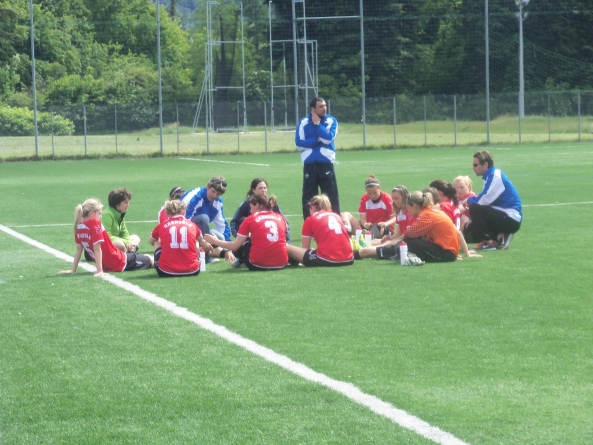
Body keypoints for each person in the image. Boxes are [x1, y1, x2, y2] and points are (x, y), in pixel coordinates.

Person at [355, 191, 480, 263]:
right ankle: (369, 251)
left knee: (407, 244)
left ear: (414, 206)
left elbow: (406, 236)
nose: (408, 210)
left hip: (445, 253)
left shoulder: (426, 216)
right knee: (409, 243)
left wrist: (451, 253)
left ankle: (365, 252)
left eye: (408, 207)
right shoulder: (432, 212)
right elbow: (456, 233)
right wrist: (459, 251)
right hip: (447, 252)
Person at [59, 199, 153, 277]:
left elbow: (79, 250)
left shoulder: (78, 226)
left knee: (139, 249)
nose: (101, 216)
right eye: (99, 213)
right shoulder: (95, 223)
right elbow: (97, 248)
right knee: (151, 260)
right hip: (118, 261)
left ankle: (132, 250)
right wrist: (100, 271)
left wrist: (73, 270)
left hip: (109, 263)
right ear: (92, 213)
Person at [205, 194, 288, 271]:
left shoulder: (250, 219)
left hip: (257, 264)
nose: (251, 211)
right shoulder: (280, 217)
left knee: (246, 241)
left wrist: (215, 241)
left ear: (257, 205)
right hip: (282, 263)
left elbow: (234, 246)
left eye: (251, 207)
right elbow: (284, 231)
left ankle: (241, 260)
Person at [462, 150, 522, 250]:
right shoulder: (490, 176)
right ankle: (501, 236)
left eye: (475, 165)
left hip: (510, 218)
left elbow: (483, 201)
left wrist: (468, 200)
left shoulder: (495, 176)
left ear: (485, 164)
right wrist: (471, 219)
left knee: (474, 207)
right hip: (504, 216)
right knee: (468, 231)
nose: (473, 168)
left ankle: (488, 242)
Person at [295, 96, 340, 220]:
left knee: (331, 196)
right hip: (310, 165)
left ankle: (335, 223)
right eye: (321, 106)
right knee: (309, 198)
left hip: (326, 164)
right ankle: (309, 225)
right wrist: (316, 139)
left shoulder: (332, 121)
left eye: (325, 105)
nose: (324, 108)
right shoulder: (304, 122)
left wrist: (317, 124)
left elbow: (327, 138)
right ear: (313, 109)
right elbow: (299, 144)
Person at [149, 199, 218, 277]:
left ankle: (163, 262)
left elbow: (151, 241)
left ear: (167, 213)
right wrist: (205, 244)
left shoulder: (161, 225)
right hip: (193, 270)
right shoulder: (192, 225)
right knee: (196, 239)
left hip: (165, 271)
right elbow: (200, 239)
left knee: (156, 240)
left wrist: (164, 245)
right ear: (183, 212)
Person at [286, 194, 353, 267]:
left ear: (312, 207)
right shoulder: (336, 216)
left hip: (328, 260)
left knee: (285, 246)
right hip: (349, 258)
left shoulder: (310, 219)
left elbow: (304, 249)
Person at [181, 176, 231, 263]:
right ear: (207, 186)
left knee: (221, 238)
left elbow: (222, 226)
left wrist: (228, 248)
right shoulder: (195, 196)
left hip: (197, 231)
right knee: (204, 219)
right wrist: (201, 240)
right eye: (213, 191)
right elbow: (183, 219)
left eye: (218, 194)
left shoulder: (218, 203)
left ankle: (204, 250)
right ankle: (205, 256)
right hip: (183, 230)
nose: (214, 195)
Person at [230, 178, 290, 242]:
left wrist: (286, 241)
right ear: (253, 190)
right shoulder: (247, 204)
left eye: (265, 188)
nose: (263, 190)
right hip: (251, 241)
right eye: (260, 188)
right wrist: (240, 238)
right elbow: (234, 222)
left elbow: (285, 224)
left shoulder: (272, 204)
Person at [342, 175, 394, 239]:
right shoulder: (364, 198)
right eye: (369, 193)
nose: (372, 196)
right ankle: (346, 237)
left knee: (375, 225)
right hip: (368, 228)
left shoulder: (387, 199)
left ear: (379, 188)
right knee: (345, 215)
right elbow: (362, 219)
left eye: (375, 193)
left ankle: (366, 240)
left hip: (383, 228)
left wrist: (386, 223)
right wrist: (365, 224)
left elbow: (395, 218)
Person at [102, 188, 141, 253]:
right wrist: (125, 242)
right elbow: (106, 236)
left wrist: (128, 242)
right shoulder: (107, 214)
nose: (128, 205)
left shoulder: (120, 213)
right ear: (117, 204)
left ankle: (130, 251)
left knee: (136, 238)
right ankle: (129, 252)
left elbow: (124, 232)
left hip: (118, 241)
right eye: (125, 202)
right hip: (105, 244)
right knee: (120, 244)